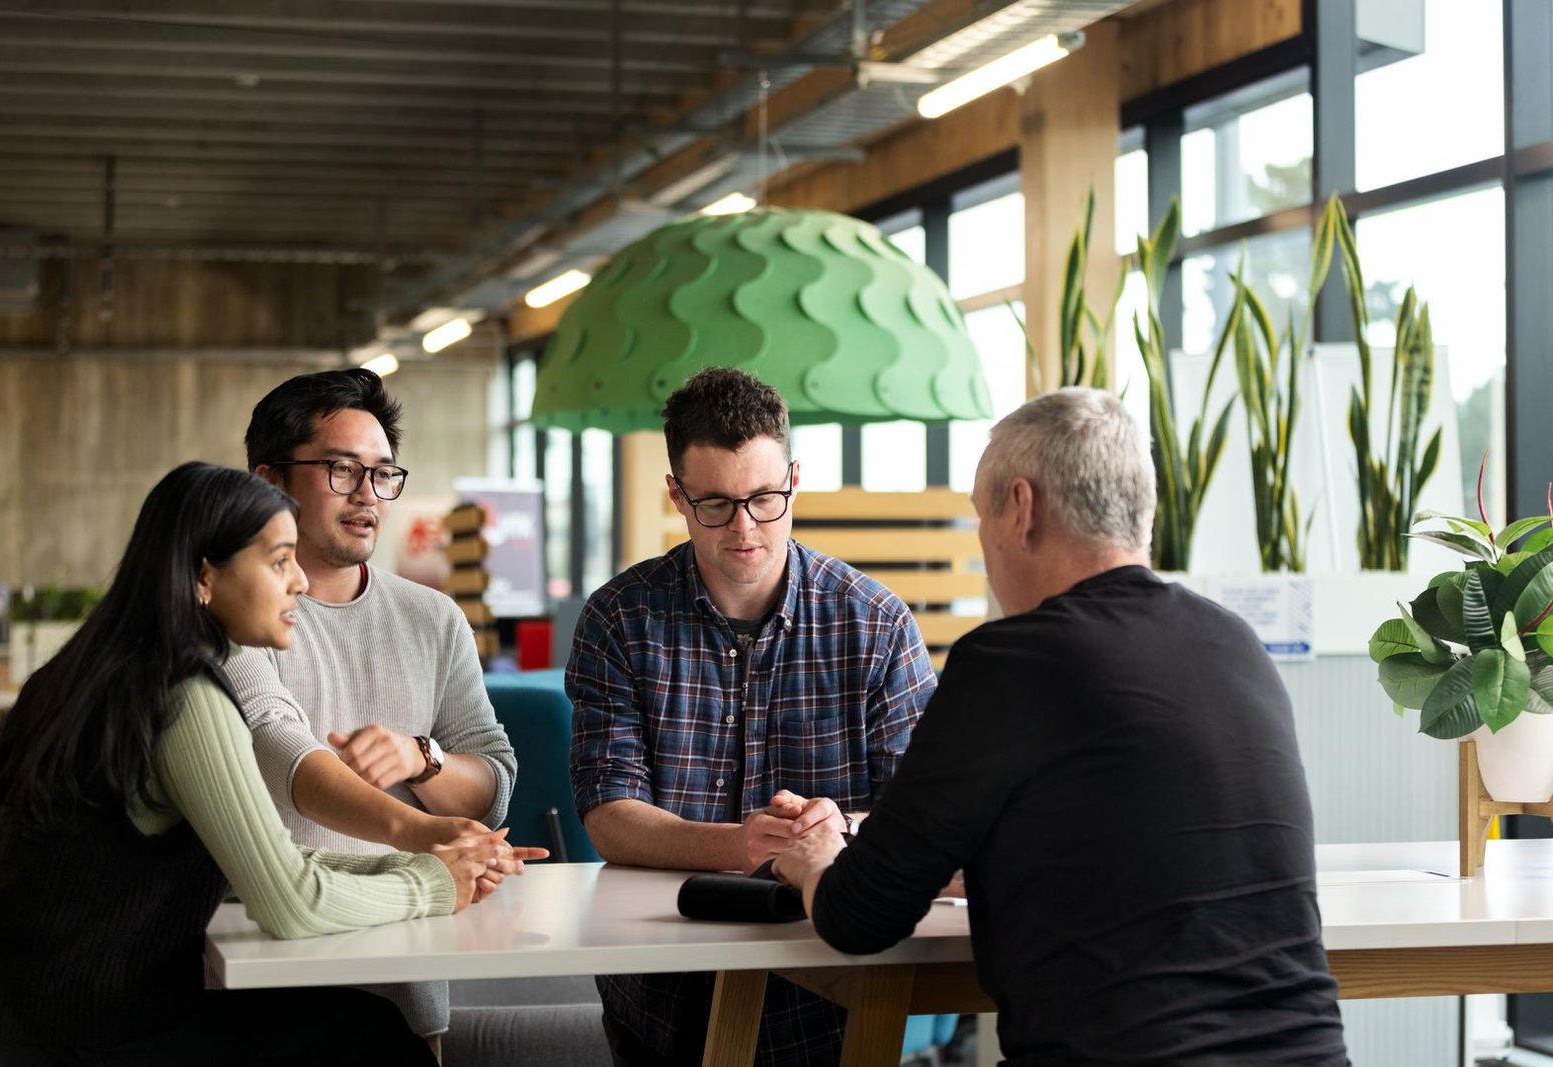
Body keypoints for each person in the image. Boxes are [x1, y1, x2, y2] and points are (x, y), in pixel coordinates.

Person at [772, 389, 1349, 1066]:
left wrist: (815, 857)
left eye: (980, 516)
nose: (983, 542)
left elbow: (858, 916)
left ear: (1021, 509)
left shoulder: (1010, 661)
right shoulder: (1235, 644)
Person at [0, 462, 545, 1066]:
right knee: (378, 1039)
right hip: (80, 1030)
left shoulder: (103, 669)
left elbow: (265, 860)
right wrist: (435, 882)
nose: (301, 584)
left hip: (4, 1008)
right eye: (278, 560)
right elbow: (292, 903)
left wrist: (413, 864)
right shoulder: (187, 698)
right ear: (203, 577)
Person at [567, 366, 938, 1066]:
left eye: (766, 498)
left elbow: (920, 812)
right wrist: (742, 845)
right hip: (660, 987)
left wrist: (832, 828)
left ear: (794, 478)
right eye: (715, 504)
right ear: (677, 494)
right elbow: (609, 812)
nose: (744, 527)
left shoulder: (876, 623)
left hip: (832, 992)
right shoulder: (618, 619)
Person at [222, 368, 520, 1041]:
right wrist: (422, 831)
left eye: (383, 474)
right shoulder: (235, 610)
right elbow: (280, 749)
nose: (368, 496)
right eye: (341, 471)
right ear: (269, 482)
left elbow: (493, 786)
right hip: (267, 957)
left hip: (409, 955)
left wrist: (423, 758)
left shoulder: (433, 617)